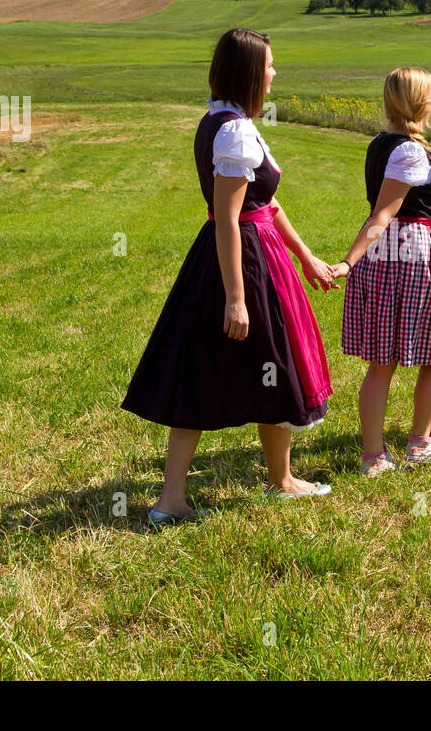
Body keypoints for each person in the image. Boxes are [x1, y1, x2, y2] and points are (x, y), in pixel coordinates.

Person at [122, 28, 339, 528]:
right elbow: (228, 216)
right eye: (268, 65)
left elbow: (266, 203)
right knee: (272, 364)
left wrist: (305, 256)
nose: (274, 73)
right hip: (243, 262)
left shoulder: (225, 122)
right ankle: (201, 494)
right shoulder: (235, 131)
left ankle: (244, 484)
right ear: (248, 72)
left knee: (233, 368)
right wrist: (237, 298)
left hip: (247, 256)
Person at [333, 68, 431, 476]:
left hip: (392, 255)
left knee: (382, 361)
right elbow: (386, 213)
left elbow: (413, 210)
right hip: (407, 258)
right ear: (424, 104)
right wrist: (347, 261)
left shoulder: (380, 143)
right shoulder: (409, 151)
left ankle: (374, 455)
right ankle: (419, 444)